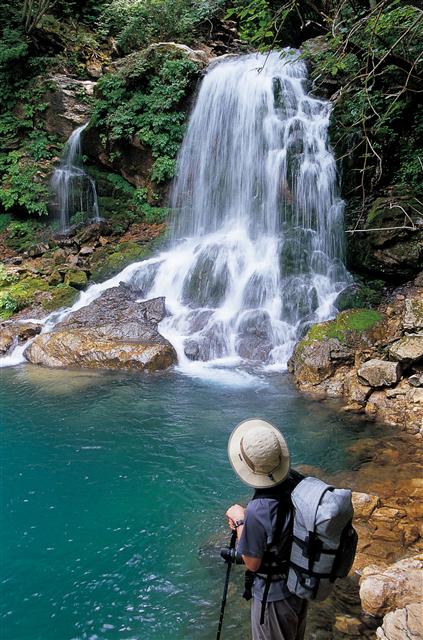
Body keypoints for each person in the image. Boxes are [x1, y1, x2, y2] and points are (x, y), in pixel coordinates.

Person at [225, 418, 308, 640]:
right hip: (299, 583)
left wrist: (241, 521)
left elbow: (252, 563)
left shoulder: (257, 509)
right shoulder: (297, 481)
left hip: (274, 595)